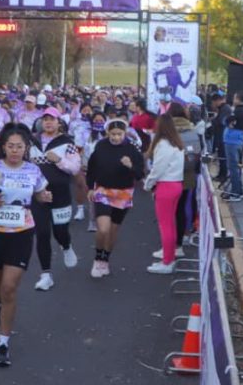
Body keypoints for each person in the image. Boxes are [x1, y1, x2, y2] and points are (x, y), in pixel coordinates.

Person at [0, 128, 51, 366]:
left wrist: (44, 197)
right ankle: (3, 308)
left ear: (26, 148)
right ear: (3, 147)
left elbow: (39, 194)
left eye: (20, 146)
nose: (15, 150)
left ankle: (3, 343)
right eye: (11, 146)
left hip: (21, 233)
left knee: (8, 289)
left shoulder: (33, 170)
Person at [85, 118, 145, 278]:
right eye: (113, 134)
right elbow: (91, 168)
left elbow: (140, 174)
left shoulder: (132, 149)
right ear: (107, 133)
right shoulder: (101, 146)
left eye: (119, 134)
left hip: (123, 193)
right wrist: (90, 188)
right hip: (103, 190)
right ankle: (97, 258)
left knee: (113, 230)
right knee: (103, 228)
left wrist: (130, 166)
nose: (116, 137)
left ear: (125, 133)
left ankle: (105, 260)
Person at [28, 107, 80, 290]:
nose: (48, 122)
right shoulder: (31, 142)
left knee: (60, 231)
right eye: (45, 119)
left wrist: (58, 160)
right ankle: (46, 274)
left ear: (59, 122)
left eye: (52, 119)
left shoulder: (67, 142)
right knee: (42, 233)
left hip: (60, 194)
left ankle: (66, 246)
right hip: (38, 195)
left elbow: (75, 169)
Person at [144, 114, 185, 274]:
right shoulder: (176, 143)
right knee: (170, 223)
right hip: (175, 184)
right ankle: (168, 253)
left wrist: (148, 184)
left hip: (166, 186)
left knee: (165, 225)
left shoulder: (163, 144)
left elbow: (158, 168)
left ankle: (167, 261)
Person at [170, 102, 201, 256]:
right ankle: (181, 241)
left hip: (170, 175)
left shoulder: (167, 131)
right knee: (183, 207)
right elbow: (198, 152)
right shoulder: (192, 129)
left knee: (168, 211)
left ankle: (170, 245)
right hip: (188, 174)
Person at [223, 93, 243, 200]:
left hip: (232, 141)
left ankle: (235, 193)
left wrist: (228, 122)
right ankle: (239, 190)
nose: (233, 100)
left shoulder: (237, 111)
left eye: (235, 98)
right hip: (239, 140)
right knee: (237, 167)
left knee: (233, 167)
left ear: (238, 99)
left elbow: (227, 120)